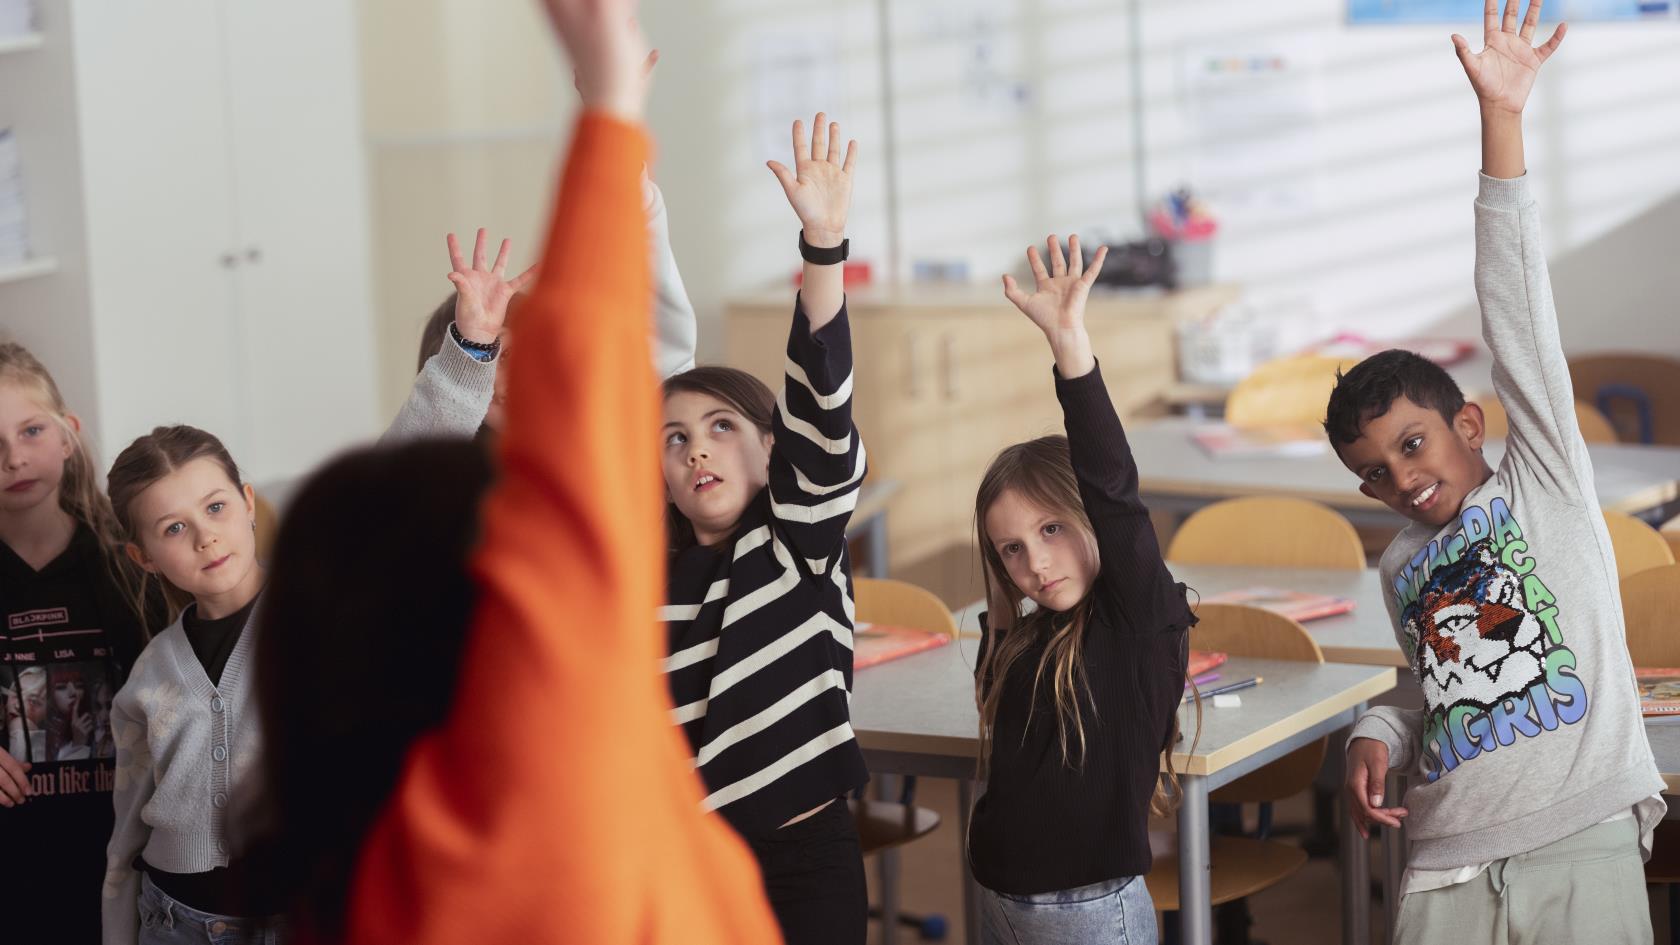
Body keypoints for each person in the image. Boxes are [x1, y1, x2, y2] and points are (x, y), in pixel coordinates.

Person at [311, 2, 782, 941]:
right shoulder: (481, 520)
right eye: (500, 362)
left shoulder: (385, 861)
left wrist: (627, 171)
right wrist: (609, 117)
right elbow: (588, 354)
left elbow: (629, 337)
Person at [1330, 4, 1663, 941]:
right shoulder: (1400, 566)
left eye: (1413, 443)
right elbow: (1435, 687)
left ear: (1469, 425)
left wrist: (1502, 123)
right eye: (1376, 471)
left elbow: (1517, 307)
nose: (1402, 477)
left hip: (1578, 829)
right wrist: (1379, 731)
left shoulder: (1544, 477)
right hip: (1443, 855)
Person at [659, 110, 869, 943]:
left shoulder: (795, 542)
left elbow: (821, 398)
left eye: (720, 428)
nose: (696, 451)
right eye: (674, 440)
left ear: (771, 452)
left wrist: (822, 245)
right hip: (690, 863)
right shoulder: (650, 574)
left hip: (803, 855)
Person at [968, 235, 1196, 944]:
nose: (1035, 560)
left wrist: (1071, 345)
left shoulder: (1138, 616)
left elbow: (1113, 488)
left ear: (1088, 518)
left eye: (1052, 529)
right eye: (1012, 547)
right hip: (1004, 906)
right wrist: (1003, 612)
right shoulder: (1026, 634)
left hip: (1091, 913)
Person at [0, 342, 160, 945]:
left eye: (32, 430)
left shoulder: (134, 564)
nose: (14, 458)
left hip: (120, 873)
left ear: (68, 435)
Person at [103, 426, 280, 944]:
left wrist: (466, 354)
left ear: (247, 502)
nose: (205, 536)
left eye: (216, 508)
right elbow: (127, 828)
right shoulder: (150, 675)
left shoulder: (317, 614)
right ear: (144, 557)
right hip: (176, 922)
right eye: (174, 528)